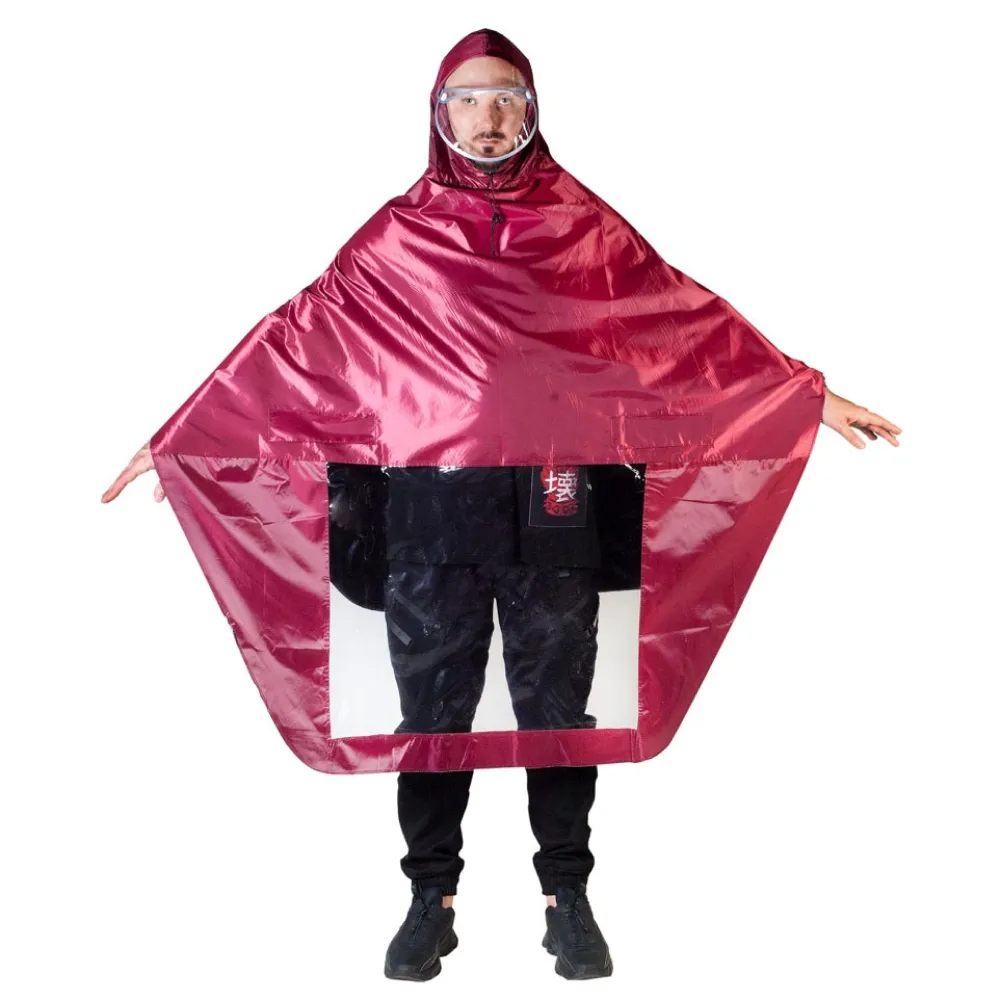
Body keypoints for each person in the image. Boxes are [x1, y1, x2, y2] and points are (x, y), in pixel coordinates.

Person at [101, 29, 902, 983]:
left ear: (533, 111)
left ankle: (567, 896)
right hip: (431, 518)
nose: (489, 116)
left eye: (507, 98)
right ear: (439, 115)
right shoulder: (397, 238)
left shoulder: (584, 230)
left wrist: (807, 394)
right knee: (433, 718)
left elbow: (678, 325)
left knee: (557, 706)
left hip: (552, 509)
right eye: (470, 99)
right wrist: (187, 435)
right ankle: (430, 899)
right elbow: (299, 341)